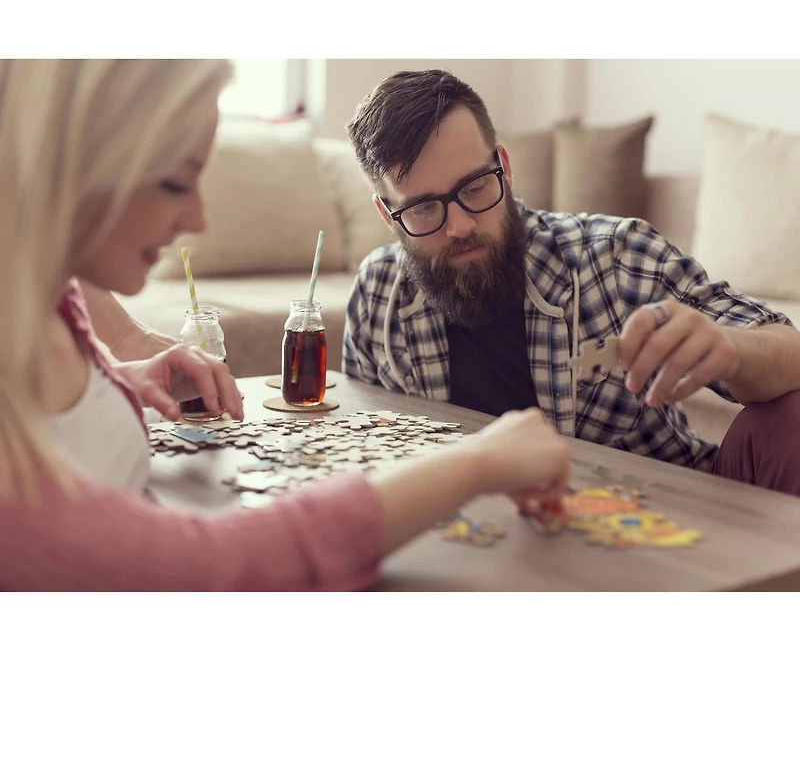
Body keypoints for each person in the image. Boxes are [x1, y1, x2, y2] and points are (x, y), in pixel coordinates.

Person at [0, 59, 570, 591]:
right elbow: (217, 567)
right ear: (68, 159)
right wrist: (476, 462)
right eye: (176, 181)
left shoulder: (54, 301)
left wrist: (120, 382)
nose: (199, 217)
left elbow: (59, 429)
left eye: (474, 187)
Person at [343, 69, 800, 497]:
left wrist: (730, 349)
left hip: (649, 524)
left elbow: (788, 349)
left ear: (503, 165)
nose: (460, 225)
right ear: (388, 216)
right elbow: (362, 456)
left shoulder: (618, 256)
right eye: (423, 208)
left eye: (475, 187)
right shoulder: (378, 291)